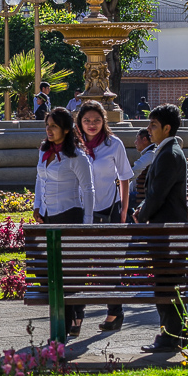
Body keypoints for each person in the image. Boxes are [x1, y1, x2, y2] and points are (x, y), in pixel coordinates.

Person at [33, 106, 95, 338]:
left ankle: (66, 324)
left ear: (67, 129)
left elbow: (88, 191)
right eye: (47, 126)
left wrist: (86, 225)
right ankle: (66, 320)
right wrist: (37, 204)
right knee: (50, 273)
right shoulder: (44, 151)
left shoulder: (77, 157)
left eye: (54, 126)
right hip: (49, 216)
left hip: (70, 216)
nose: (49, 130)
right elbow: (40, 178)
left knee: (67, 275)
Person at [76, 100, 134, 333]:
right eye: (87, 120)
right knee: (78, 266)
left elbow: (124, 177)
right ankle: (76, 316)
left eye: (97, 120)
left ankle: (114, 312)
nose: (92, 125)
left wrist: (123, 210)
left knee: (109, 265)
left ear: (104, 121)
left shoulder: (113, 144)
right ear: (79, 122)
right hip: (79, 212)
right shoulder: (73, 144)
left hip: (107, 210)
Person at [134, 104, 188, 352]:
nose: (149, 129)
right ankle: (179, 333)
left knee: (166, 283)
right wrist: (143, 208)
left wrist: (141, 214)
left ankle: (169, 336)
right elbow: (156, 193)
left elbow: (157, 195)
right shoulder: (167, 151)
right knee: (169, 282)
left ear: (167, 128)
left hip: (168, 230)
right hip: (168, 228)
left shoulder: (170, 154)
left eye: (153, 125)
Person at [129, 128, 156, 211]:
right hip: (142, 194)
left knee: (118, 201)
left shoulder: (150, 155)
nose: (135, 142)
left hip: (143, 195)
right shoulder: (150, 153)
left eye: (137, 139)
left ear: (144, 139)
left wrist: (119, 180)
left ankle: (131, 222)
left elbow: (133, 172)